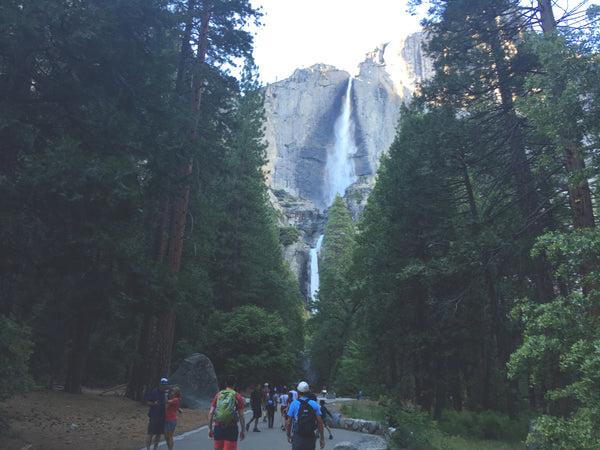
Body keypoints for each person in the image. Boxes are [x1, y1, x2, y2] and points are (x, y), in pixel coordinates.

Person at [208, 375, 245, 450]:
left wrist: (210, 428)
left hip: (218, 427)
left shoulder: (218, 395)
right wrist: (243, 430)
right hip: (231, 427)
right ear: (235, 384)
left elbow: (211, 412)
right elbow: (241, 415)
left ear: (225, 383)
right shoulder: (237, 396)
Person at [286, 381, 325, 450]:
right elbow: (320, 422)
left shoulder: (294, 404)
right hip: (310, 436)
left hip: (298, 435)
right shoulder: (314, 404)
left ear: (298, 391)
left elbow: (288, 423)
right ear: (308, 392)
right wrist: (322, 438)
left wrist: (288, 434)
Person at [146, 377, 169, 450]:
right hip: (154, 415)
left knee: (158, 434)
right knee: (150, 434)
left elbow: (169, 403)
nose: (163, 386)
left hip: (162, 416)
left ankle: (155, 448)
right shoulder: (154, 391)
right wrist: (154, 403)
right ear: (159, 384)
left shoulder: (167, 393)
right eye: (162, 384)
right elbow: (148, 402)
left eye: (165, 385)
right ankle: (148, 448)